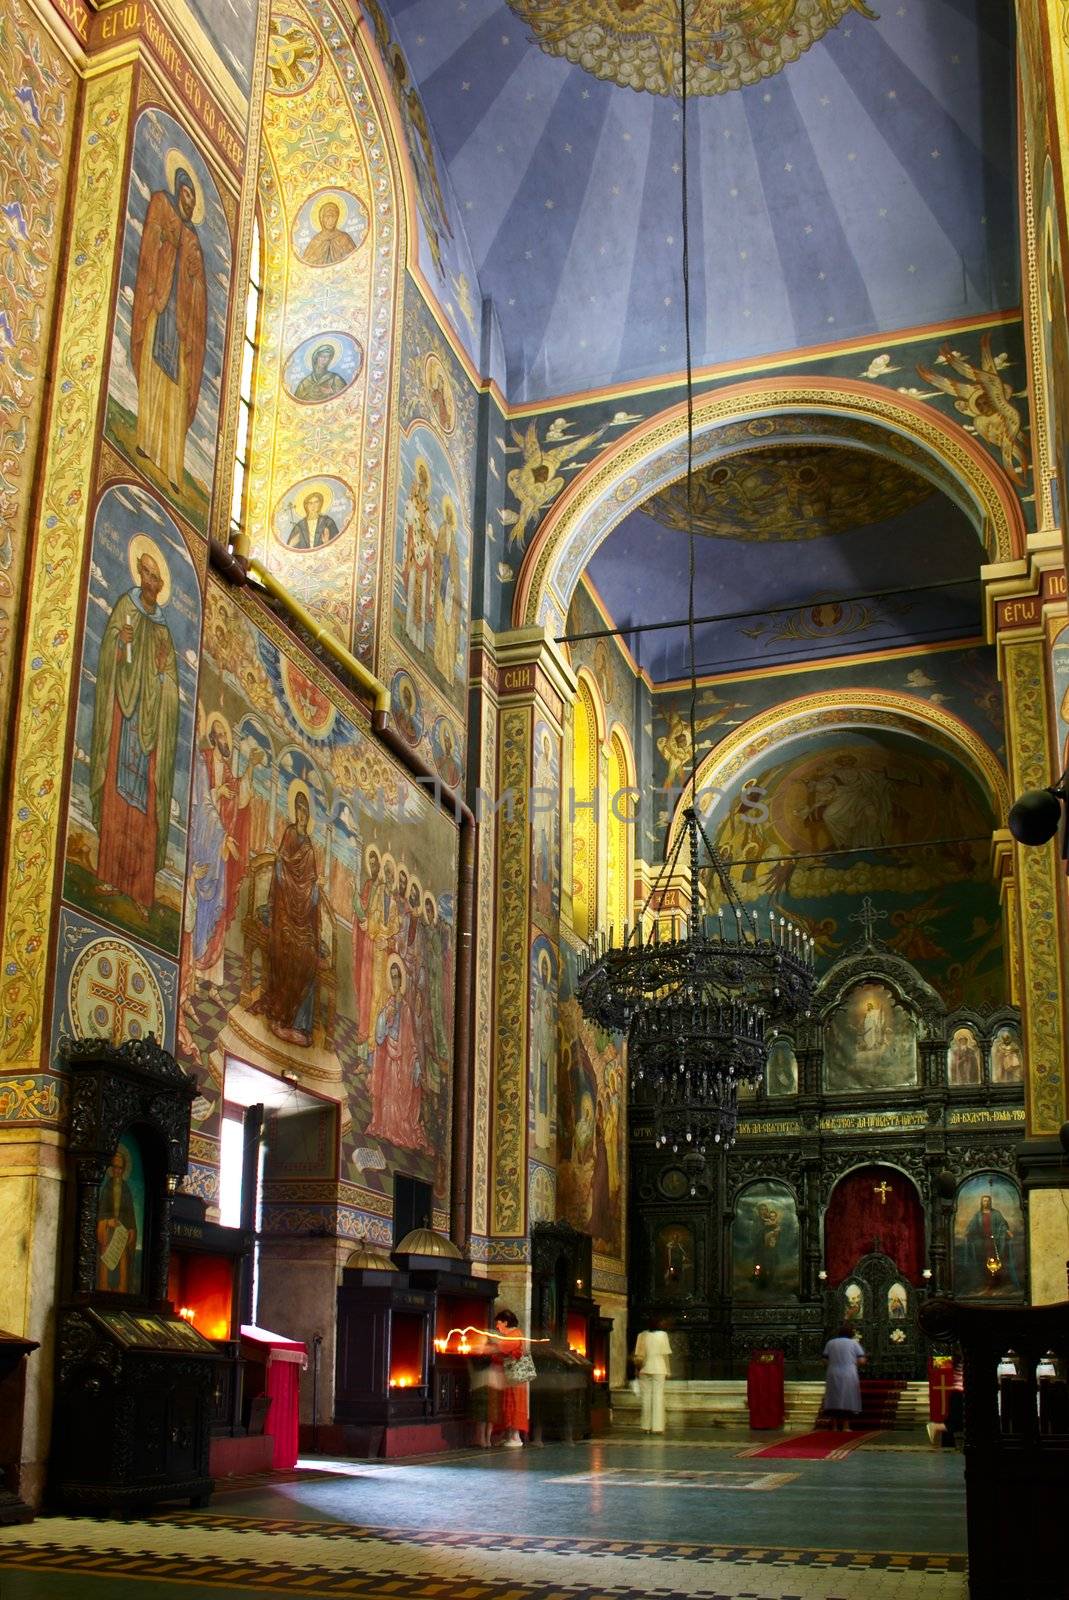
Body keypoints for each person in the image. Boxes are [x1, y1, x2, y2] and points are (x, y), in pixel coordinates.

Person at [88, 541, 179, 919]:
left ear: (161, 584)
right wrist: (121, 647)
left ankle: (142, 892)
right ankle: (108, 875)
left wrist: (160, 677)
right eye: (145, 572)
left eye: (155, 576)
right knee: (116, 797)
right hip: (124, 719)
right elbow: (113, 657)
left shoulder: (164, 633)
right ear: (138, 574)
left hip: (149, 733)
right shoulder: (125, 608)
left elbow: (171, 687)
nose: (150, 580)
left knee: (145, 812)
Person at [130, 162, 208, 492]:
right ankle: (146, 443)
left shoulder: (193, 240)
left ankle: (173, 469)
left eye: (193, 200)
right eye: (186, 195)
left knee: (175, 393)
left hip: (178, 327)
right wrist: (167, 245)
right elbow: (151, 240)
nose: (189, 204)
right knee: (152, 377)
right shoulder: (162, 206)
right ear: (179, 190)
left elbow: (199, 290)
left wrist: (194, 277)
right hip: (159, 306)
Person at [253, 786, 322, 1046]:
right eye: (299, 809)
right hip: (285, 909)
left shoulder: (311, 845)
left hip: (302, 915)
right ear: (296, 811)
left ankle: (301, 1025)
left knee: (308, 953)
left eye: (306, 811)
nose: (302, 814)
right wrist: (290, 888)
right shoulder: (291, 834)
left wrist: (310, 893)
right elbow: (281, 865)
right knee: (286, 947)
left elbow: (311, 881)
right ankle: (282, 1016)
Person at [96, 1146, 139, 1293]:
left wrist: (131, 1229)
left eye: (120, 1168)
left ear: (124, 1169)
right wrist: (107, 1222)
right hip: (108, 1230)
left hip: (121, 1231)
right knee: (105, 1257)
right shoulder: (106, 1188)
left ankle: (122, 1289)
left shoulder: (126, 1189)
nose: (117, 1170)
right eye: (114, 1167)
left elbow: (130, 1214)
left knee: (122, 1259)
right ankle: (103, 1287)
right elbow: (101, 1211)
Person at [489, 1307, 529, 1447]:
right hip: (509, 1376)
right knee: (508, 1404)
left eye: (498, 1323)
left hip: (513, 1378)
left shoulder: (514, 1335)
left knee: (514, 1403)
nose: (497, 1326)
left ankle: (515, 1436)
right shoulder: (513, 1335)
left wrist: (485, 1348)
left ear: (505, 1323)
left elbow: (501, 1348)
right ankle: (508, 1435)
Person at [821, 1323, 866, 1431]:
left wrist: (832, 1364)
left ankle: (834, 1426)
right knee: (847, 1398)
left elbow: (824, 1359)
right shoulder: (853, 1343)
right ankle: (846, 1425)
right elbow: (861, 1360)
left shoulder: (831, 1343)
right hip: (849, 1373)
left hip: (833, 1372)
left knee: (834, 1398)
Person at [634, 1316, 672, 1434]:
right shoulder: (663, 1335)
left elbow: (638, 1355)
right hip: (659, 1368)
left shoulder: (641, 1335)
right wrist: (668, 1370)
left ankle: (646, 1427)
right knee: (658, 1397)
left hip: (645, 1369)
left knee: (646, 1398)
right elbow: (665, 1354)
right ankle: (658, 1428)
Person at [302, 198, 358, 266]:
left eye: (333, 216)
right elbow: (306, 265)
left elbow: (355, 260)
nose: (330, 220)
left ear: (337, 218)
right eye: (327, 217)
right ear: (321, 218)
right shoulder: (316, 241)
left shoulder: (344, 238)